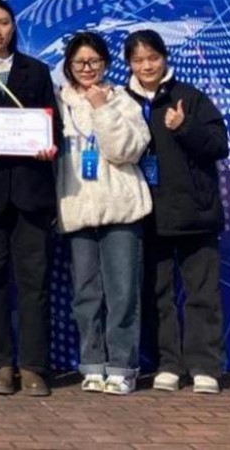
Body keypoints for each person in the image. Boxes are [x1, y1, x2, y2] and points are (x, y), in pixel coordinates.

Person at [124, 29, 230, 395]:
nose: (147, 66)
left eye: (153, 58)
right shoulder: (122, 101)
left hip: (195, 212)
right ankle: (168, 363)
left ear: (165, 58)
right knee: (158, 294)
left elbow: (219, 145)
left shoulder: (190, 97)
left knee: (202, 293)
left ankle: (205, 366)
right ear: (129, 64)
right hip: (147, 212)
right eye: (138, 60)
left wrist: (184, 127)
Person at [0, 0, 59, 397]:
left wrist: (49, 145)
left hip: (31, 191)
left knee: (34, 281)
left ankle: (33, 365)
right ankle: (0, 363)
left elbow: (53, 123)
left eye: (3, 22)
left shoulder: (36, 70)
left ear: (13, 26)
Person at [57, 31, 151, 396]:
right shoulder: (59, 103)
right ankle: (92, 364)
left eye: (94, 61)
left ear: (106, 64)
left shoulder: (123, 101)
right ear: (68, 65)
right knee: (86, 294)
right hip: (77, 208)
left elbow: (126, 151)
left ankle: (123, 367)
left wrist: (102, 107)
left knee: (123, 293)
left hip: (121, 208)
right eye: (79, 62)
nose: (87, 68)